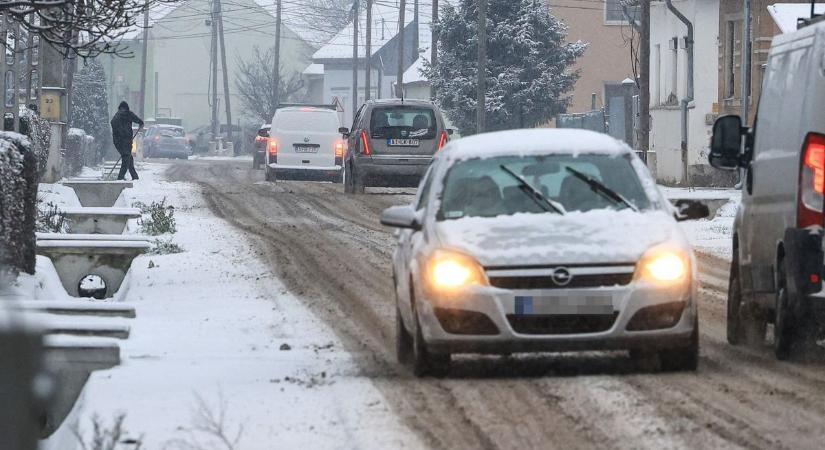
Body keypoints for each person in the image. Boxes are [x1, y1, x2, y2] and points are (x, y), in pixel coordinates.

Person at [110, 101, 144, 180]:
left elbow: (112, 124)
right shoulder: (128, 114)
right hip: (126, 141)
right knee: (126, 158)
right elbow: (138, 120)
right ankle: (120, 178)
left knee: (128, 157)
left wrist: (119, 133)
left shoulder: (116, 116)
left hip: (119, 142)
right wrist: (141, 123)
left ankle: (134, 177)